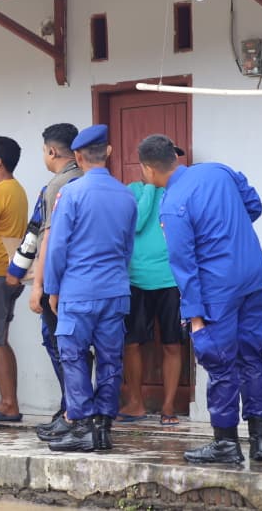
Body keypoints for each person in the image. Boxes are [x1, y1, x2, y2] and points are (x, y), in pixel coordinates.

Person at [138, 134, 262, 464]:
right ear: (175, 157)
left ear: (148, 169)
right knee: (252, 358)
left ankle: (226, 443)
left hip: (218, 290)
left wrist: (194, 317)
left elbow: (183, 265)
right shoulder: (219, 170)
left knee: (221, 363)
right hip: (253, 277)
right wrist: (230, 233)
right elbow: (254, 206)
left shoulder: (172, 205)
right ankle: (260, 442)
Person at [42, 125, 135, 452]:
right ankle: (103, 428)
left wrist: (52, 288)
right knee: (111, 359)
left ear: (78, 157)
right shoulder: (126, 195)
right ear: (107, 152)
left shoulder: (72, 193)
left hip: (78, 290)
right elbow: (127, 248)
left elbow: (57, 247)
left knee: (74, 357)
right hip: (115, 290)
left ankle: (82, 426)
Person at [21, 123, 83, 441]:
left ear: (52, 151)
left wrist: (38, 285)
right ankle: (75, 410)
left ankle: (71, 411)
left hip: (60, 280)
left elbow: (47, 240)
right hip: (91, 280)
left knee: (60, 346)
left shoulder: (57, 185)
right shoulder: (89, 179)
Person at [117, 173, 184, 426]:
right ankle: (136, 403)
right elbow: (136, 223)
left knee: (172, 344)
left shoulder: (177, 191)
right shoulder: (132, 190)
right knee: (132, 343)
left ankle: (168, 405)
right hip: (136, 279)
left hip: (171, 280)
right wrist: (149, 187)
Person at [0, 136, 29, 423]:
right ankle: (9, 401)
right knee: (1, 339)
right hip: (9, 271)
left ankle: (9, 403)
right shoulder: (18, 190)